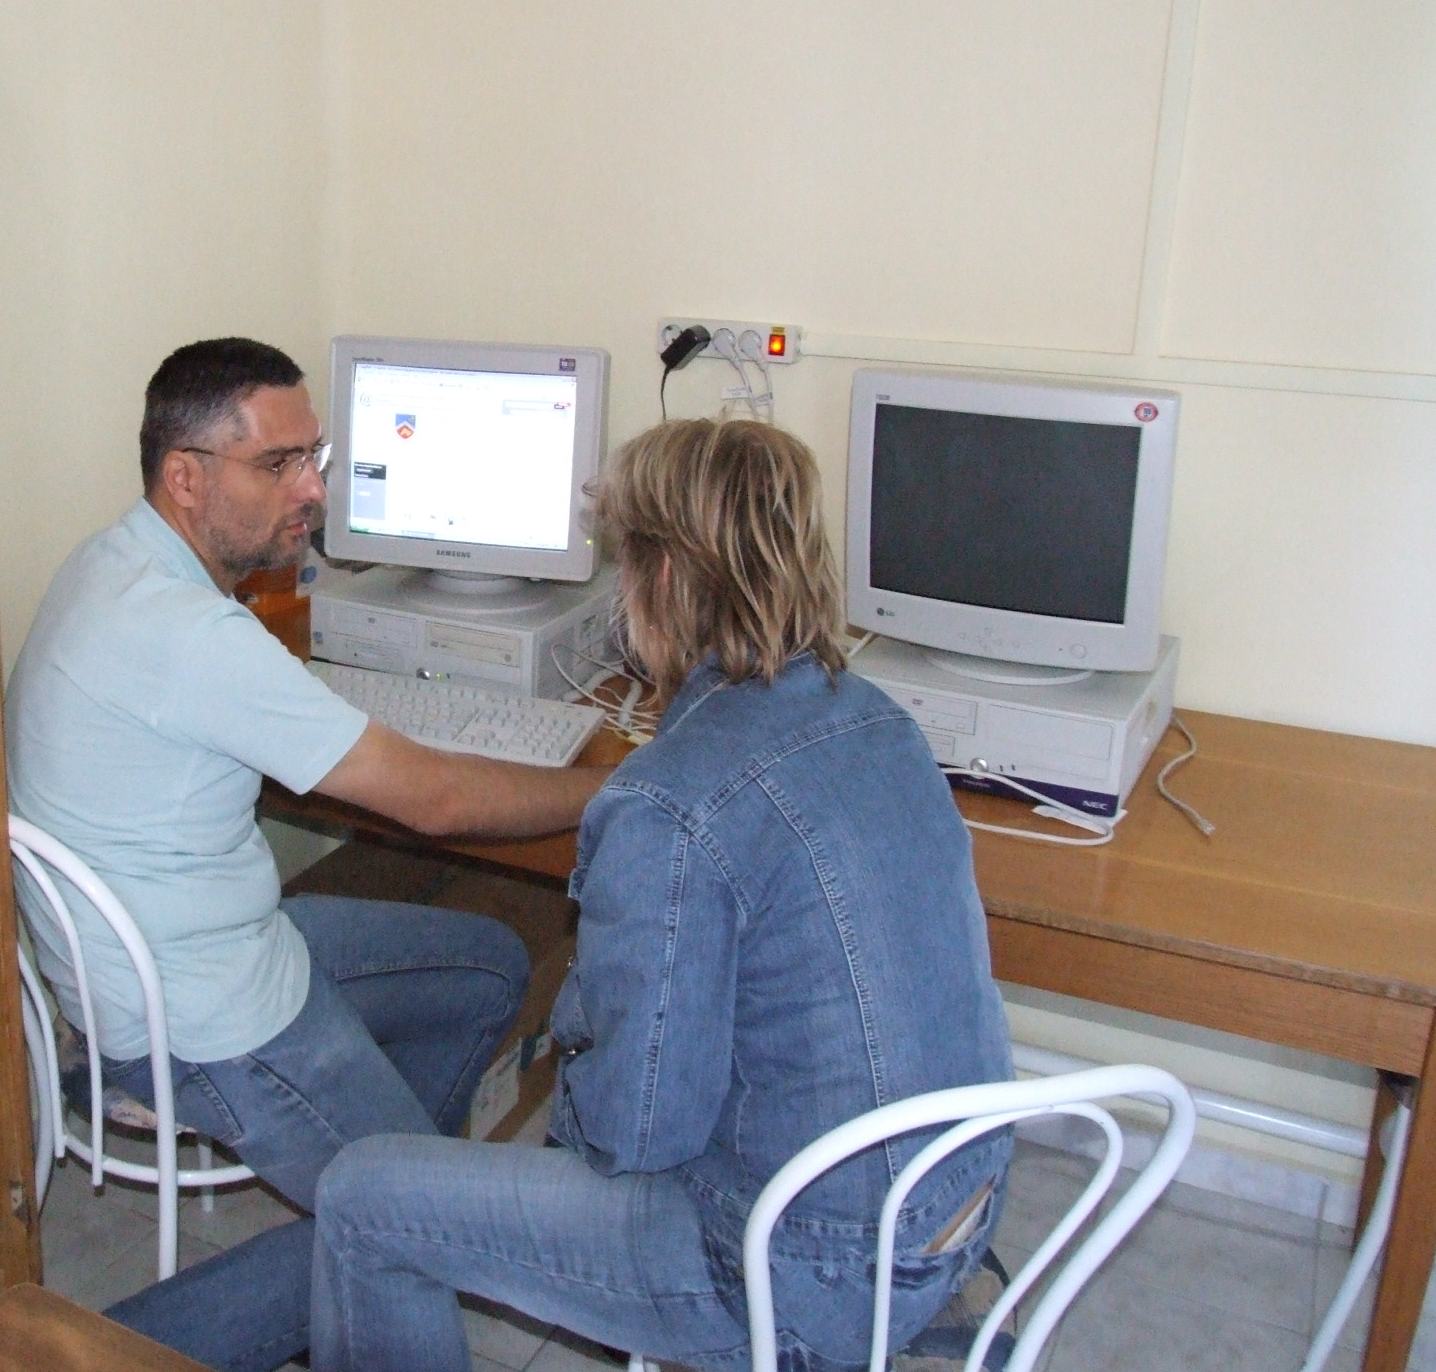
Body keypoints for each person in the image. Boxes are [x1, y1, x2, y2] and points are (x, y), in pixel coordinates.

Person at [310, 417, 1017, 1372]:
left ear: (666, 580)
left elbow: (638, 1130)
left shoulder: (667, 804)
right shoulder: (880, 720)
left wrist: (580, 1052)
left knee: (362, 1197)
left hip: (801, 1271)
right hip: (953, 1205)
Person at [5, 338, 610, 1371]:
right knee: (416, 1228)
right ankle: (369, 1239)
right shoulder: (196, 638)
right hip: (199, 1017)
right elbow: (436, 799)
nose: (315, 490)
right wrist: (611, 788)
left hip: (165, 955)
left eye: (314, 457)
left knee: (489, 965)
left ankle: (375, 1206)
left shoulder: (111, 565)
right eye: (279, 464)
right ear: (185, 476)